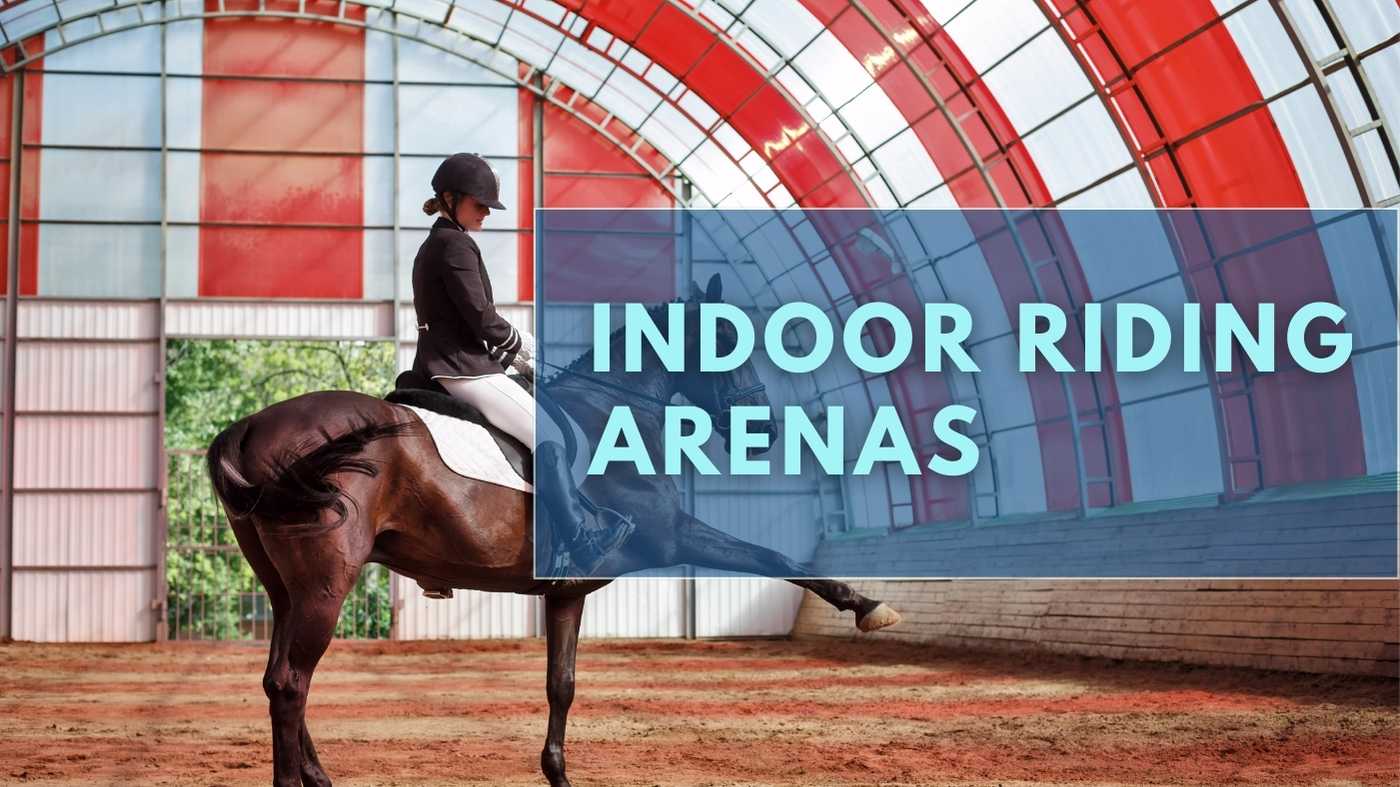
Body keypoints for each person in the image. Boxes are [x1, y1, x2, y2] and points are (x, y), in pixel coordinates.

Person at [410, 152, 635, 576]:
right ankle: (580, 541)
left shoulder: (435, 243)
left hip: (450, 359)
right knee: (546, 434)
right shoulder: (455, 244)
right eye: (480, 205)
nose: (485, 214)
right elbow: (479, 316)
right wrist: (522, 346)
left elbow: (456, 319)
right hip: (462, 368)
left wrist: (510, 355)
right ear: (449, 198)